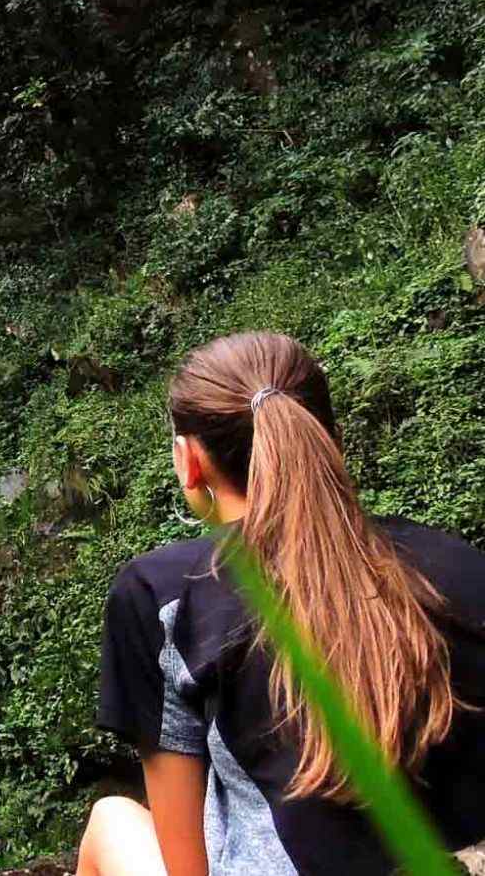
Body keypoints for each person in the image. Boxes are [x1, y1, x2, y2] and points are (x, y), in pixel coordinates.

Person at [80, 331, 485, 876]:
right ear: (331, 439)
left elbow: (186, 865)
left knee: (112, 821)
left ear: (189, 462)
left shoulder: (163, 594)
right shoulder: (457, 563)